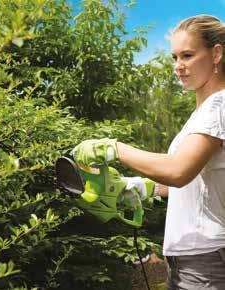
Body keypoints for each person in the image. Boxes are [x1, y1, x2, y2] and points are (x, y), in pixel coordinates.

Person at [72, 15, 225, 289]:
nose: (178, 66)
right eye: (175, 57)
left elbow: (179, 170)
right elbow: (194, 179)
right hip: (191, 256)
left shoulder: (218, 107)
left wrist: (114, 148)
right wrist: (142, 187)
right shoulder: (204, 112)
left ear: (216, 53)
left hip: (206, 258)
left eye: (188, 55)